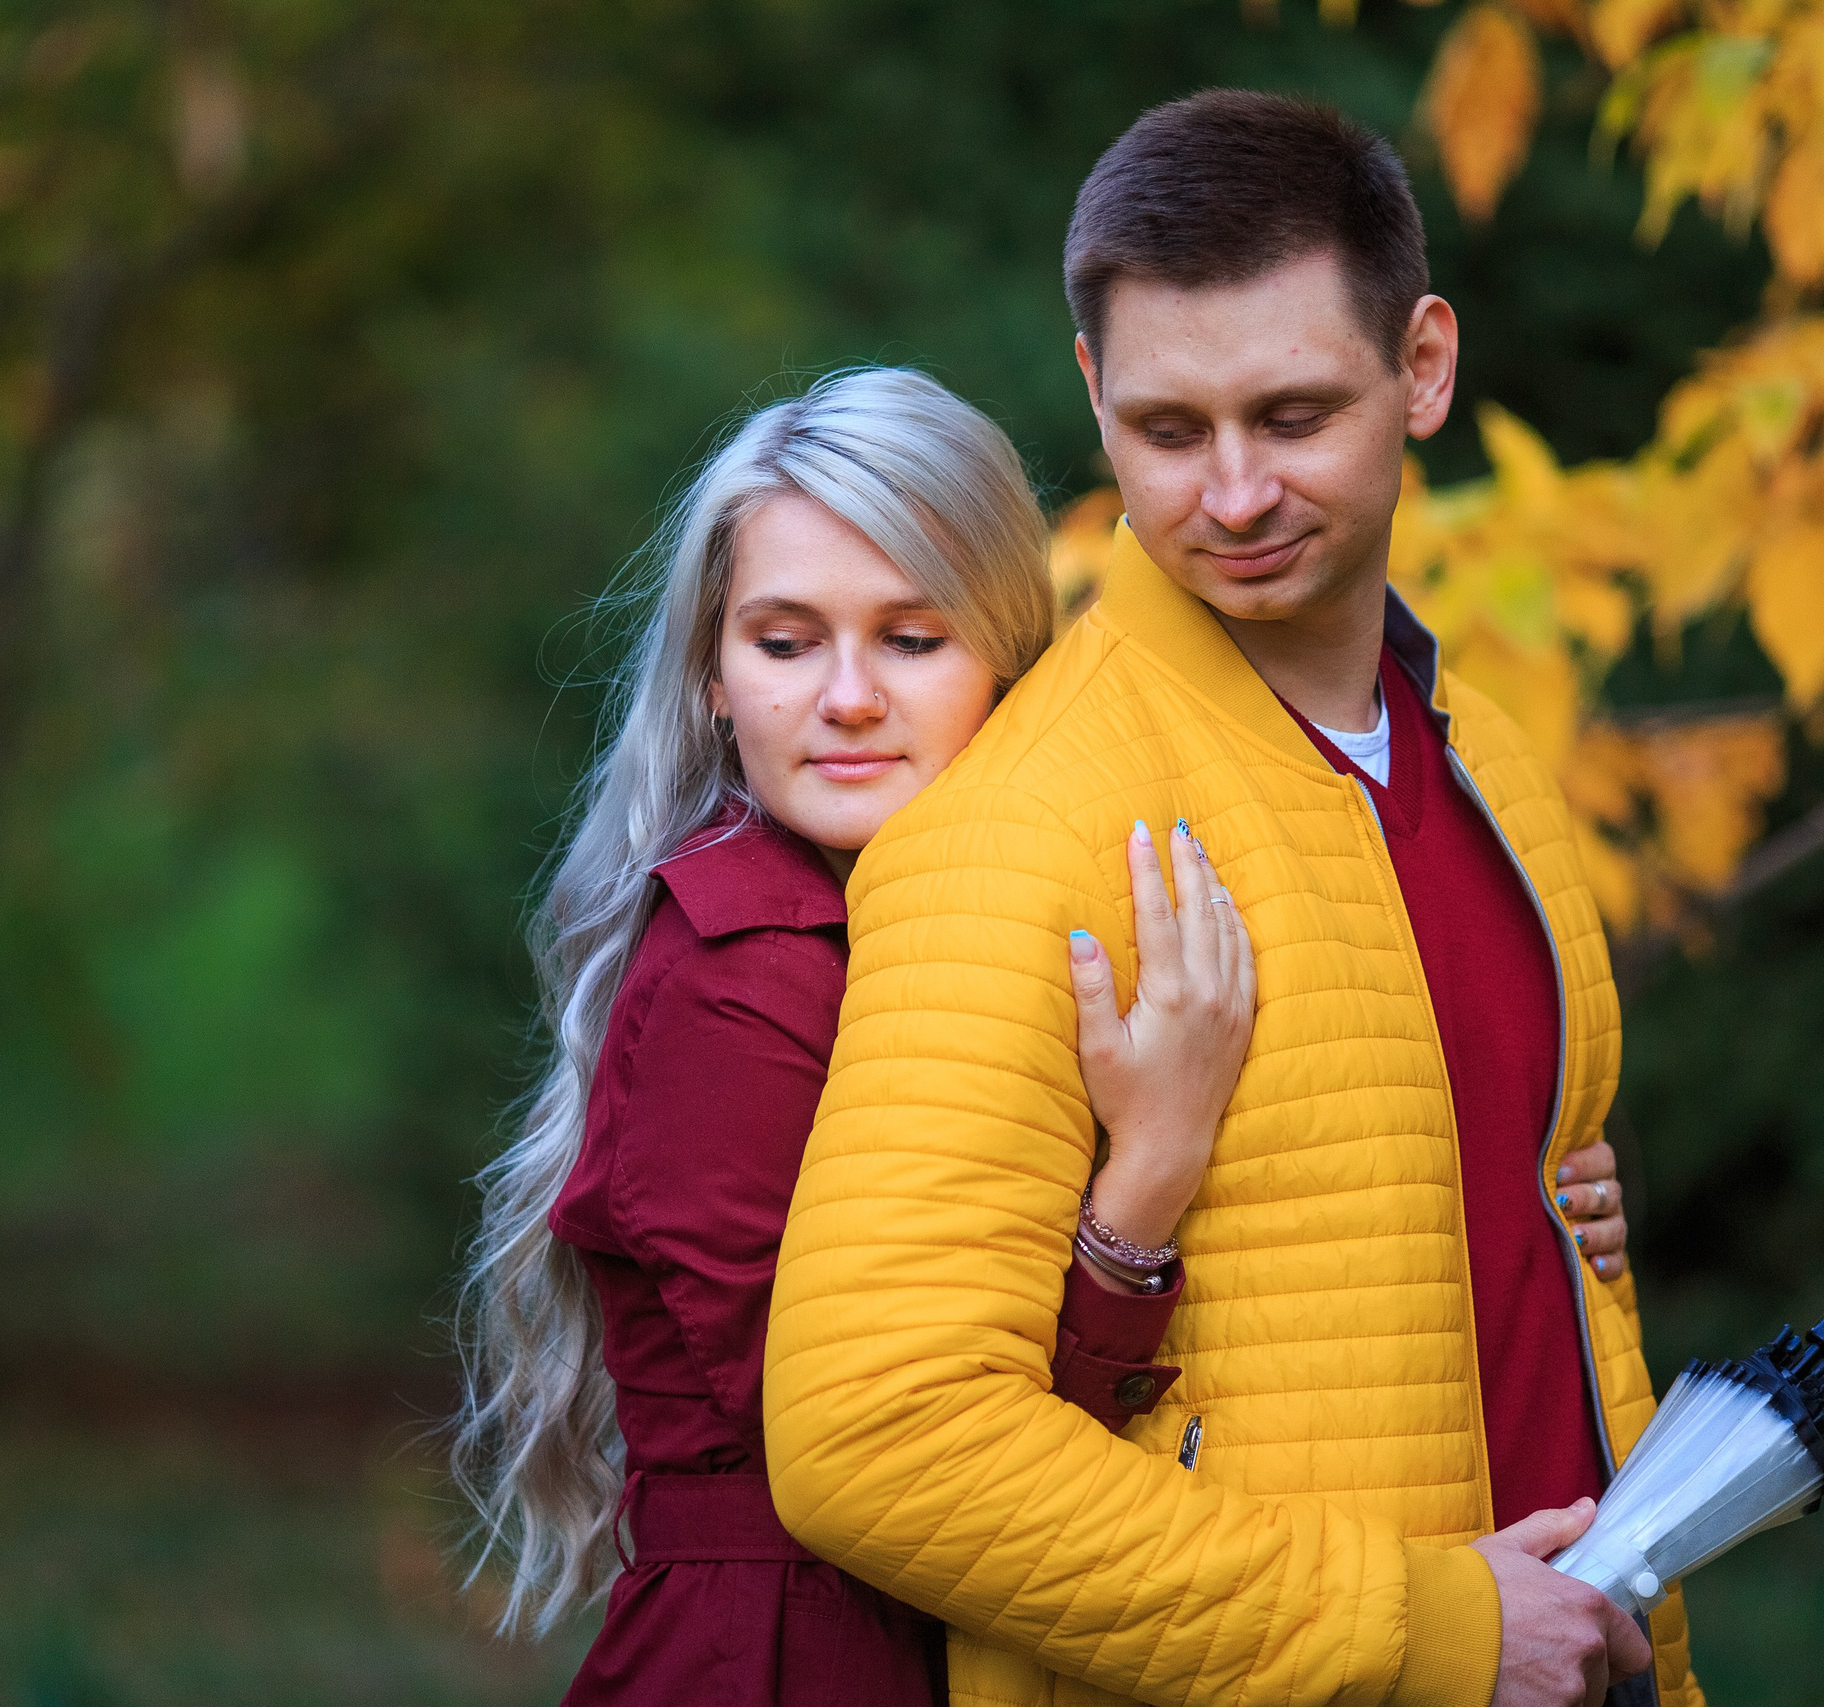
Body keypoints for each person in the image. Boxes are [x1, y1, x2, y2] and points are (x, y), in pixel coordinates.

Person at [455, 364, 1636, 1704]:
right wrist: (1147, 1175)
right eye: (786, 644)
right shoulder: (743, 971)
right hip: (796, 1661)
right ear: (715, 681)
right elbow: (903, 1449)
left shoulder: (972, 907)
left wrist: (1532, 1190)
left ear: (1010, 662)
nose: (846, 698)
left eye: (913, 639)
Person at [762, 94, 1699, 1707]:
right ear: (1091, 394)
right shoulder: (1026, 825)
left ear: (1422, 368)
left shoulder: (1492, 769)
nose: (1236, 496)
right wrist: (1427, 1632)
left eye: (1292, 414)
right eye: (1170, 431)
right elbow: (878, 1437)